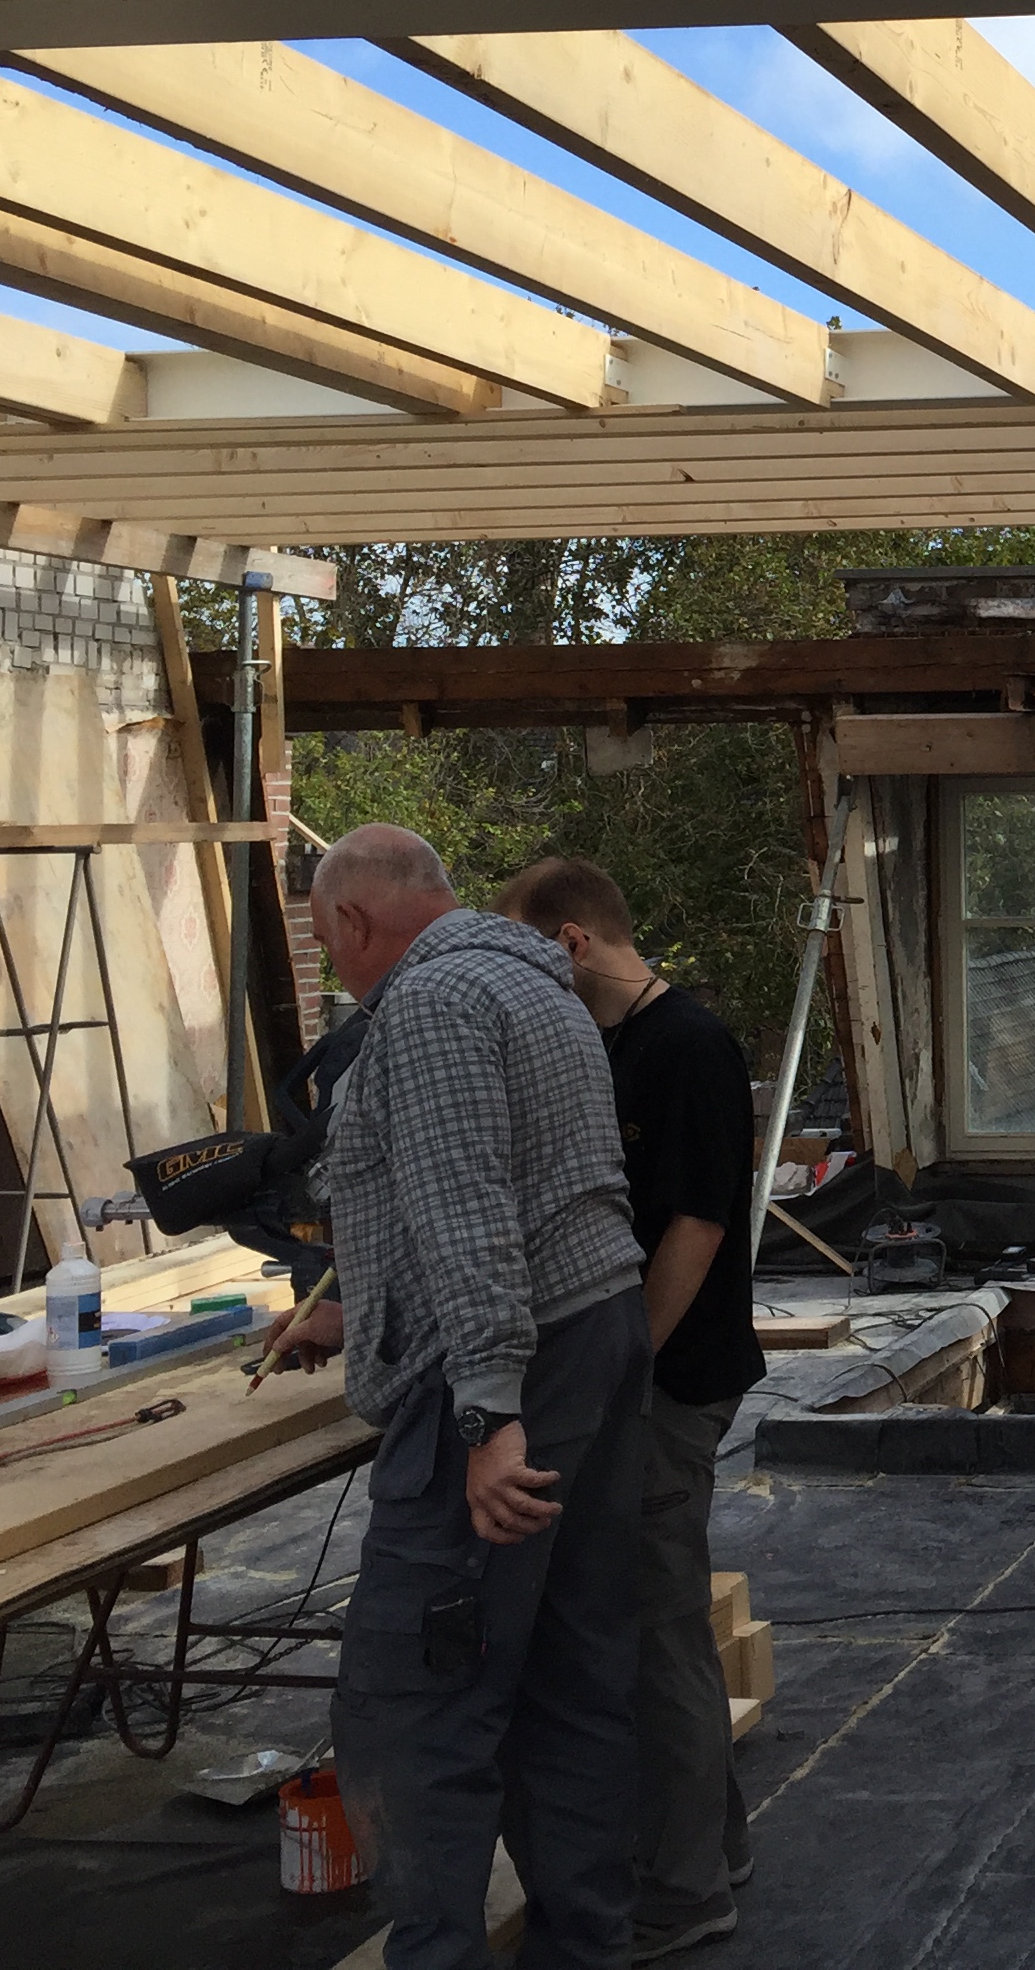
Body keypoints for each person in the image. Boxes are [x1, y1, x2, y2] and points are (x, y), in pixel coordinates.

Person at [257, 825, 650, 1970]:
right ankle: (586, 1949)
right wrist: (360, 1311)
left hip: (511, 1373)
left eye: (328, 944)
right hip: (593, 1335)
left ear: (351, 922)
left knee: (417, 1700)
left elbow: (470, 1215)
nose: (335, 967)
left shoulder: (428, 1008)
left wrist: (485, 1414)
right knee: (570, 1680)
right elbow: (527, 1189)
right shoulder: (532, 985)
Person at [493, 857, 764, 1964]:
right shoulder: (603, 1047)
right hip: (641, 1376)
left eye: (525, 954)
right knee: (661, 1627)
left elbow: (696, 1229)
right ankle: (715, 1847)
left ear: (571, 942)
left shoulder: (686, 1047)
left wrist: (621, 1366)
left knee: (657, 1638)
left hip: (669, 1380)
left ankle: (684, 1893)